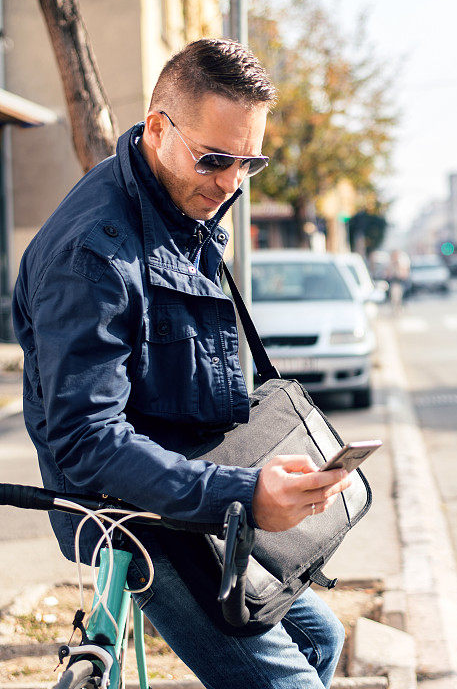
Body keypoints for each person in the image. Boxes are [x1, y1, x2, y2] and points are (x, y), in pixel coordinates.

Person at [12, 39, 351, 688]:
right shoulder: (93, 256)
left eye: (248, 163)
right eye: (216, 159)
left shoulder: (173, 204)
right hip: (141, 522)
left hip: (194, 496)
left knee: (321, 638)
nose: (231, 183)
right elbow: (86, 444)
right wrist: (245, 494)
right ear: (160, 128)